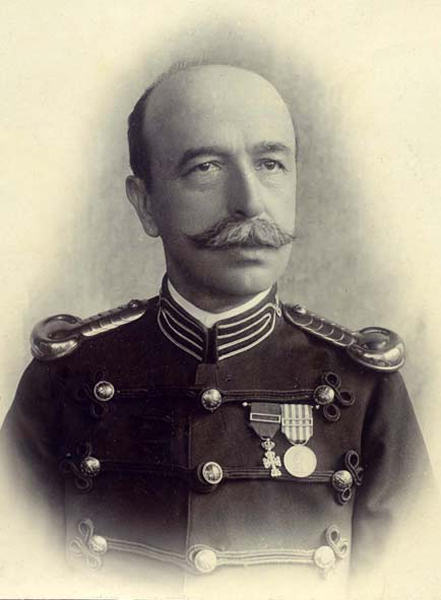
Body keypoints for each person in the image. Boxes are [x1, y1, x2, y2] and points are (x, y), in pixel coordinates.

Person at [0, 64, 434, 599]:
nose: (250, 201)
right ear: (145, 203)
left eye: (271, 163)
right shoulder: (64, 379)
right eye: (205, 167)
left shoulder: (365, 387)